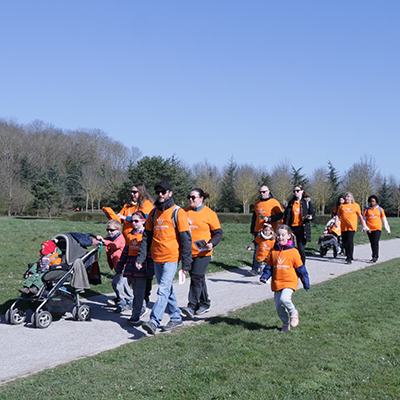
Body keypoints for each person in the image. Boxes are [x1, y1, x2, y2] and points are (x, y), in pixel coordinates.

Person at [137, 180, 192, 334]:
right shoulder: (154, 213)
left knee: (162, 290)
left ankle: (154, 322)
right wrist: (141, 257)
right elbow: (146, 237)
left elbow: (186, 239)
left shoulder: (178, 212)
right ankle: (176, 318)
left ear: (170, 193)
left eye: (163, 192)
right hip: (156, 258)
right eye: (158, 192)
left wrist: (186, 263)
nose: (160, 195)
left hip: (171, 258)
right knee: (167, 289)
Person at [180, 188, 223, 319]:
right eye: (189, 197)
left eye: (193, 197)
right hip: (188, 252)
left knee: (196, 277)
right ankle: (205, 303)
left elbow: (218, 233)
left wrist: (211, 243)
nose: (191, 199)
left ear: (201, 198)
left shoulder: (209, 214)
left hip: (204, 252)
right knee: (198, 277)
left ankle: (192, 306)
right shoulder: (184, 212)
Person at [260, 224, 309, 332]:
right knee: (279, 308)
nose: (280, 237)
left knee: (284, 299)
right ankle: (285, 323)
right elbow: (269, 267)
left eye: (283, 235)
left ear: (289, 236)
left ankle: (293, 312)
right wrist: (265, 277)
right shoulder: (273, 252)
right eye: (278, 235)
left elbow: (301, 269)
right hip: (277, 282)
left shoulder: (294, 252)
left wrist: (305, 282)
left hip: (290, 281)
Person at [116, 211, 154, 325]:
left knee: (139, 292)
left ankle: (135, 315)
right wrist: (120, 265)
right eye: (132, 221)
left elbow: (150, 253)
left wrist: (150, 269)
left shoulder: (147, 235)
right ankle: (140, 308)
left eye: (136, 221)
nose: (134, 223)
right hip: (131, 265)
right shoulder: (129, 234)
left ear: (143, 221)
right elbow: (125, 251)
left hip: (142, 265)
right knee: (135, 290)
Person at [96, 220, 132, 311]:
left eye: (112, 230)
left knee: (119, 284)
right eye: (107, 229)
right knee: (118, 284)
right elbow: (103, 241)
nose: (109, 232)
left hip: (124, 265)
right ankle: (128, 300)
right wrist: (93, 240)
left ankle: (124, 301)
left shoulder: (120, 238)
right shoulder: (110, 238)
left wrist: (104, 241)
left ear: (118, 229)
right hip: (118, 267)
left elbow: (115, 245)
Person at [249, 186, 283, 275]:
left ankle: (273, 268)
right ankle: (255, 269)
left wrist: (270, 219)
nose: (262, 194)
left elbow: (280, 215)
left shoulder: (274, 202)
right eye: (260, 192)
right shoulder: (257, 203)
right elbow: (254, 217)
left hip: (270, 231)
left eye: (264, 192)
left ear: (268, 192)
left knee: (271, 249)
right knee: (257, 249)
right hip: (258, 230)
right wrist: (252, 229)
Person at [282, 184, 315, 265]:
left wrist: (310, 217)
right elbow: (287, 216)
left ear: (302, 191)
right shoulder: (291, 203)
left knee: (301, 249)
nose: (296, 192)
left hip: (302, 229)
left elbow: (313, 214)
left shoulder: (306, 202)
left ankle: (302, 266)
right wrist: (284, 227)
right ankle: (293, 265)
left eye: (297, 191)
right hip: (292, 228)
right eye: (294, 191)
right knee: (292, 248)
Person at [335, 192, 369, 265]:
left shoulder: (356, 205)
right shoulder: (342, 206)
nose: (346, 198)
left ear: (351, 198)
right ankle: (348, 255)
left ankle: (349, 258)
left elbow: (360, 216)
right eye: (346, 197)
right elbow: (337, 215)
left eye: (348, 197)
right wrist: (336, 222)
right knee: (344, 242)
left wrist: (364, 225)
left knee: (350, 241)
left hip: (352, 227)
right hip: (343, 227)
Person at [363, 195, 391, 263]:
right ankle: (373, 255)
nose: (372, 203)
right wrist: (366, 228)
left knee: (375, 242)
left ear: (376, 202)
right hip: (369, 228)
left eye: (373, 201)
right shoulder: (367, 210)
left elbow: (384, 219)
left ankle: (375, 256)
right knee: (372, 243)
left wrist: (388, 229)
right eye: (371, 201)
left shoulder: (380, 209)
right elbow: (363, 220)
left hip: (377, 228)